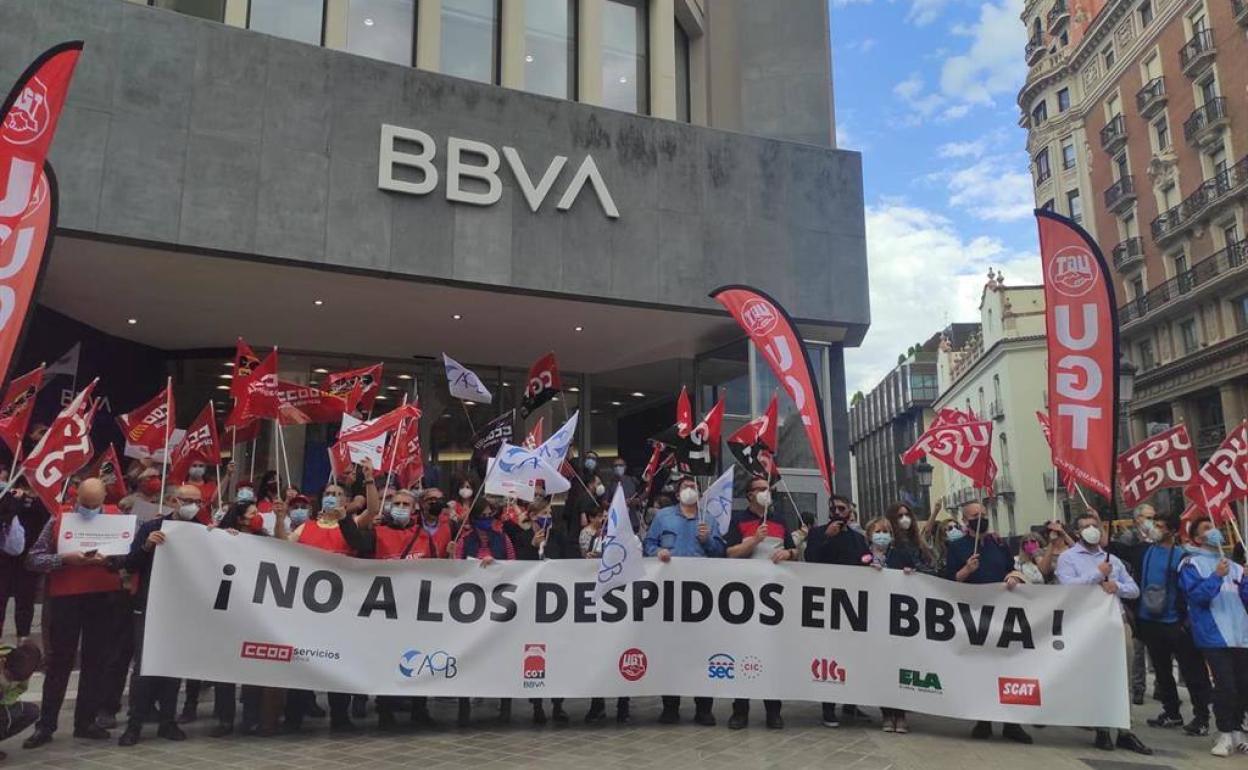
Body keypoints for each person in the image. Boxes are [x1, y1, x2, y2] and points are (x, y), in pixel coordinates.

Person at [22, 478, 128, 748]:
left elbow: (132, 557)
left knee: (97, 661)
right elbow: (33, 558)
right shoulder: (60, 518)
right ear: (76, 498)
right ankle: (46, 725)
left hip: (104, 598)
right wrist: (64, 560)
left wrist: (113, 561)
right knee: (59, 663)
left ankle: (86, 722)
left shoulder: (120, 519)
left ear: (105, 498)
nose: (89, 510)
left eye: (95, 505)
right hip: (65, 598)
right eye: (84, 504)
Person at [114, 484, 208, 746]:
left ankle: (168, 721)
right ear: (173, 501)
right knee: (144, 666)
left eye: (197, 502)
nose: (193, 506)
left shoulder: (204, 531)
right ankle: (135, 724)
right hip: (149, 605)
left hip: (182, 608)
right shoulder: (152, 527)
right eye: (187, 500)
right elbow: (130, 563)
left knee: (172, 664)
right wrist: (146, 546)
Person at [1055, 511, 1151, 754]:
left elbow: (1134, 590)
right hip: (1088, 625)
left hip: (1117, 623)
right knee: (1097, 676)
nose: (1091, 529)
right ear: (1077, 532)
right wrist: (1097, 573)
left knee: (1123, 676)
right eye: (1086, 526)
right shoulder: (1068, 558)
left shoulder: (1113, 560)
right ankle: (1102, 729)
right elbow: (1067, 587)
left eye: (1094, 525)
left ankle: (1124, 730)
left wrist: (1116, 585)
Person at [285, 474, 374, 732]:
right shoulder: (306, 528)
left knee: (340, 662)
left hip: (342, 608)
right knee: (302, 662)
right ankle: (294, 715)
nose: (332, 497)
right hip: (307, 608)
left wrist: (367, 481)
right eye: (328, 493)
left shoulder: (351, 524)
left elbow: (373, 510)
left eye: (337, 494)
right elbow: (280, 547)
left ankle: (340, 716)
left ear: (346, 501)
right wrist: (281, 520)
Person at [942, 501, 1033, 744]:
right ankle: (983, 720)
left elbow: (1011, 570)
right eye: (975, 515)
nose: (980, 518)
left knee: (1008, 668)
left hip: (1003, 614)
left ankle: (1012, 723)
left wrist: (1013, 577)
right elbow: (948, 581)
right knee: (982, 669)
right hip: (974, 616)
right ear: (965, 520)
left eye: (983, 514)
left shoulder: (999, 544)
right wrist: (966, 571)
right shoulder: (957, 547)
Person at [643, 476, 725, 726]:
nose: (690, 490)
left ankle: (703, 708)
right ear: (678, 494)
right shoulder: (663, 517)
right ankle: (670, 706)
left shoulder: (708, 519)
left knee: (702, 650)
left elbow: (721, 552)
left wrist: (707, 540)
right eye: (685, 487)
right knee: (671, 649)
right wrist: (658, 552)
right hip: (670, 594)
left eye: (693, 487)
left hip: (701, 597)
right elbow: (648, 544)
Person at [209, 501, 289, 737]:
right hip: (228, 610)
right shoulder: (223, 536)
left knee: (252, 667)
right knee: (225, 669)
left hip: (254, 612)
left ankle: (251, 717)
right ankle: (225, 718)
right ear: (240, 519)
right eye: (253, 514)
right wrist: (221, 536)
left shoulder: (263, 540)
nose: (258, 517)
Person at [723, 475, 797, 730]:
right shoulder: (738, 520)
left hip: (774, 599)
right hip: (744, 598)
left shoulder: (780, 521)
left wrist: (788, 552)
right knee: (744, 651)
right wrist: (754, 540)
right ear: (750, 495)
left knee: (773, 652)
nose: (767, 492)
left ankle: (773, 710)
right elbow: (729, 553)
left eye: (768, 489)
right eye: (761, 489)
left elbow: (794, 553)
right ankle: (740, 710)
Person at [1134, 511, 1211, 737]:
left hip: (1175, 623)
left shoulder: (1183, 556)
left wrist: (1185, 618)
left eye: (1160, 526)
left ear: (1172, 531)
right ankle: (1171, 711)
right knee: (1161, 670)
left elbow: (1190, 588)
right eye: (1154, 524)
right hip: (1150, 621)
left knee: (1191, 670)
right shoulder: (1146, 551)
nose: (1155, 529)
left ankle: (1201, 716)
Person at [1179, 515, 1248, 757]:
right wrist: (1216, 576)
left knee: (1242, 686)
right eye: (1207, 528)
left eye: (1215, 526)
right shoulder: (1191, 563)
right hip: (1213, 635)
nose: (1214, 531)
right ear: (1198, 537)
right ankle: (1224, 732)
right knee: (1225, 685)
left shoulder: (1237, 567)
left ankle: (1238, 729)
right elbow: (1196, 596)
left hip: (1241, 634)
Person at [804, 493, 870, 728]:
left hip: (852, 605)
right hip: (826, 604)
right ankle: (828, 707)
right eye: (835, 509)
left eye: (843, 509)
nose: (838, 513)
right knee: (829, 656)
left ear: (850, 511)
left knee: (852, 655)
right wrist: (827, 539)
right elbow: (810, 560)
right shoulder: (817, 533)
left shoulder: (858, 538)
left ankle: (851, 704)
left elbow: (865, 562)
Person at [508, 496, 572, 725]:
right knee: (534, 652)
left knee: (558, 653)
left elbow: (570, 562)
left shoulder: (559, 537)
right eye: (543, 513)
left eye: (550, 514)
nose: (548, 517)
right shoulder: (522, 538)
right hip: (531, 606)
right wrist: (532, 547)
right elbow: (515, 568)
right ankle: (536, 703)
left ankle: (558, 703)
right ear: (533, 516)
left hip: (557, 605)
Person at [455, 495, 517, 726]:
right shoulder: (464, 541)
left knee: (501, 656)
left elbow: (514, 567)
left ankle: (505, 706)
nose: (487, 520)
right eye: (482, 516)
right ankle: (464, 706)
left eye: (490, 515)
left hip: (499, 608)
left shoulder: (503, 539)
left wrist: (496, 566)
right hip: (469, 609)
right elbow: (456, 568)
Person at [863, 517, 918, 733]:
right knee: (882, 667)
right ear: (869, 534)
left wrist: (909, 575)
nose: (882, 534)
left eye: (886, 530)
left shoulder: (901, 554)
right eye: (878, 531)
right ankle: (886, 714)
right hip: (874, 619)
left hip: (899, 619)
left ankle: (901, 714)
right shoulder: (863, 556)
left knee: (900, 666)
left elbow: (916, 576)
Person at [1114, 504, 1157, 706]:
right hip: (1134, 600)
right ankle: (1138, 688)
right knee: (1137, 649)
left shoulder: (1157, 538)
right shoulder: (1128, 539)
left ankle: (1161, 687)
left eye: (1153, 517)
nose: (1152, 521)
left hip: (1155, 599)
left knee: (1156, 648)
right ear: (1138, 518)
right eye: (1148, 517)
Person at [0, 478, 47, 643]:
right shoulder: (7, 497)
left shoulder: (40, 502)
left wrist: (31, 501)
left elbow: (46, 518)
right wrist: (12, 501)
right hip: (4, 556)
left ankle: (23, 640)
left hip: (28, 555)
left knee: (25, 600)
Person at [0, 641, 41, 760]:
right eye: (10, 677)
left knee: (31, 712)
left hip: (3, 702)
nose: (13, 681)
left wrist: (4, 703)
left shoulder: (23, 669)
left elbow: (18, 690)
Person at [883, 502, 933, 573]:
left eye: (907, 515)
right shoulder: (891, 543)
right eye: (900, 516)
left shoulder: (917, 540)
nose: (905, 518)